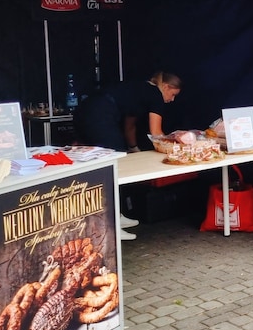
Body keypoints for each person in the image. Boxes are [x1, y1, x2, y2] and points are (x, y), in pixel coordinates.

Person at [74, 71, 182, 239]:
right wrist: (176, 150)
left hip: (85, 110)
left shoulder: (139, 89)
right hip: (100, 116)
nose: (172, 99)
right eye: (173, 94)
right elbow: (156, 133)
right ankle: (110, 226)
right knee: (112, 165)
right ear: (166, 87)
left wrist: (133, 148)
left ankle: (117, 215)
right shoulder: (155, 95)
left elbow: (129, 126)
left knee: (114, 161)